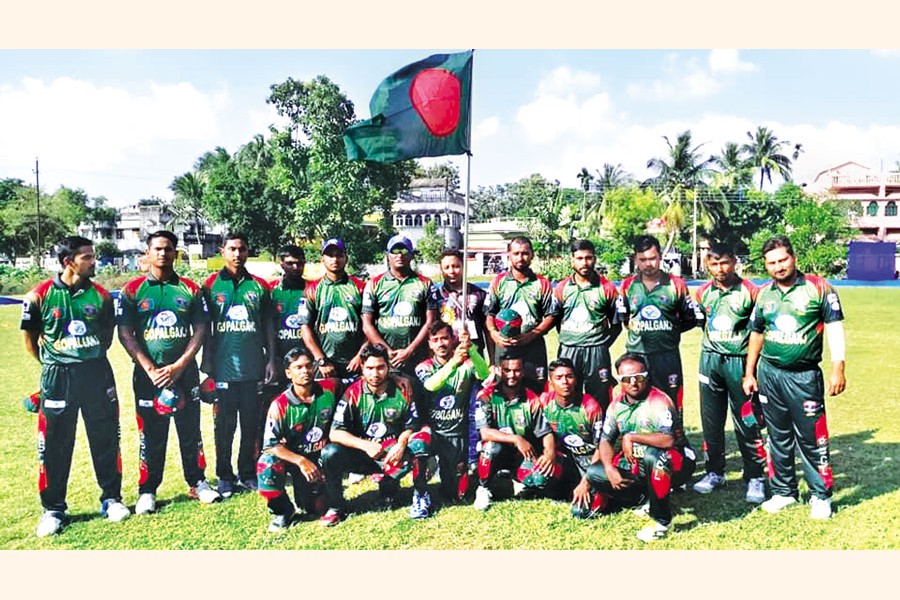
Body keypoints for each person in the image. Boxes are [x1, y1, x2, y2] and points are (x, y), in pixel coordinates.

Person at [21, 235, 129, 537]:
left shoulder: (102, 296)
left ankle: (111, 499)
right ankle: (53, 509)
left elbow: (107, 335)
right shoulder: (38, 295)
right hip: (58, 377)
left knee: (106, 438)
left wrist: (86, 354)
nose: (94, 261)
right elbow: (29, 339)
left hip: (96, 373)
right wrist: (53, 362)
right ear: (69, 261)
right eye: (87, 257)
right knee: (55, 444)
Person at [743, 235, 846, 519]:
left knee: (812, 438)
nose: (778, 266)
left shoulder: (819, 288)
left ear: (794, 258)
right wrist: (750, 372)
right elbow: (757, 333)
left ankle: (820, 495)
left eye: (782, 260)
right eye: (772, 263)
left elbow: (835, 327)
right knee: (777, 436)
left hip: (804, 377)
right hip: (770, 374)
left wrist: (839, 366)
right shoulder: (764, 294)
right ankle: (784, 491)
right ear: (766, 266)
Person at [117, 230, 220, 515]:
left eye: (168, 249)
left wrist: (180, 365)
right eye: (158, 249)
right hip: (147, 377)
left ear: (176, 253)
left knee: (190, 430)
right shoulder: (132, 290)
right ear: (148, 254)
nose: (163, 254)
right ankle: (148, 490)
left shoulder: (190, 288)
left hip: (184, 373)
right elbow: (125, 332)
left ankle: (198, 482)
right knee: (150, 433)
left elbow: (201, 329)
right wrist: (150, 368)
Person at [585, 353, 696, 542]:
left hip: (676, 461)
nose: (633, 383)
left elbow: (668, 440)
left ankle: (662, 521)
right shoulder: (616, 404)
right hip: (640, 464)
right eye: (626, 379)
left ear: (647, 376)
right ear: (619, 380)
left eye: (639, 377)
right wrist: (610, 469)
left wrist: (632, 436)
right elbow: (605, 440)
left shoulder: (659, 401)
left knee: (655, 456)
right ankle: (644, 498)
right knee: (595, 472)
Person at [319, 344, 432, 525]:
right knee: (329, 453)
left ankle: (419, 495)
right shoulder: (352, 393)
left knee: (420, 440)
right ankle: (336, 507)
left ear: (388, 367)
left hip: (393, 454)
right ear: (362, 368)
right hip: (364, 455)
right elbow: (335, 433)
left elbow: (413, 425)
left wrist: (401, 444)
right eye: (369, 368)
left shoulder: (404, 389)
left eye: (380, 367)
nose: (375, 373)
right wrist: (365, 445)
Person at [202, 232, 277, 498]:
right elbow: (204, 329)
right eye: (232, 249)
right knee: (224, 427)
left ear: (247, 252)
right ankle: (224, 476)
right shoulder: (210, 286)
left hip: (253, 369)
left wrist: (270, 359)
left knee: (250, 426)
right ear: (222, 251)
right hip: (222, 371)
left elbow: (268, 324)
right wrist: (207, 369)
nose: (237, 254)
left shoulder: (259, 286)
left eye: (242, 249)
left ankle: (247, 473)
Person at [691, 242, 767, 503]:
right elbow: (702, 323)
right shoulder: (702, 293)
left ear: (734, 261)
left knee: (746, 420)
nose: (720, 269)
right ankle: (714, 472)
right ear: (707, 265)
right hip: (710, 361)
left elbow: (759, 331)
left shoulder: (751, 292)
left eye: (724, 262)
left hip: (739, 361)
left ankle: (755, 476)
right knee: (711, 420)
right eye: (713, 264)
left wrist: (751, 370)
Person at [257, 347, 342, 532]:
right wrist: (301, 461)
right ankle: (282, 511)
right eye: (298, 367)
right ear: (288, 373)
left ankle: (325, 491)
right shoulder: (279, 405)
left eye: (308, 366)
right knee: (267, 464)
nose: (305, 371)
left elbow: (363, 383)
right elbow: (270, 445)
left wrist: (399, 379)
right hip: (296, 461)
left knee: (314, 508)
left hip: (321, 459)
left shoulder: (330, 388)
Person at [617, 235, 698, 416]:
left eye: (652, 258)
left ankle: (674, 441)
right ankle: (636, 439)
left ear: (660, 257)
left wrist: (669, 330)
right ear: (635, 259)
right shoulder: (627, 286)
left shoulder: (676, 285)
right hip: (637, 355)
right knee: (636, 400)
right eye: (643, 259)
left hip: (666, 355)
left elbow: (690, 319)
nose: (648, 264)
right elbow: (624, 319)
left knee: (670, 401)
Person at [472, 355, 559, 511]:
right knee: (491, 447)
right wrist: (516, 439)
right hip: (496, 452)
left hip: (521, 455)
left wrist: (549, 453)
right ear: (499, 370)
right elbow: (485, 433)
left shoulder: (531, 399)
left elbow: (545, 432)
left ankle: (515, 482)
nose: (512, 375)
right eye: (507, 370)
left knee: (541, 479)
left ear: (523, 372)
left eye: (517, 370)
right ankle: (483, 488)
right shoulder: (486, 396)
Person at [415, 322, 490, 503]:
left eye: (445, 338)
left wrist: (471, 349)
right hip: (435, 433)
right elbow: (431, 385)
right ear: (430, 344)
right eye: (436, 340)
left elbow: (484, 373)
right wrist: (453, 362)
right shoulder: (423, 367)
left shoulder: (466, 363)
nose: (441, 344)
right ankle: (420, 493)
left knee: (456, 492)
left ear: (453, 340)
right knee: (418, 447)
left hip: (459, 432)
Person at [484, 236, 560, 391]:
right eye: (516, 253)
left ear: (532, 255)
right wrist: (493, 333)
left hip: (533, 346)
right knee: (504, 390)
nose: (521, 258)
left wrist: (532, 334)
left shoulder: (541, 283)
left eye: (525, 253)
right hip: (505, 346)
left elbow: (551, 315)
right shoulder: (499, 281)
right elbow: (489, 313)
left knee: (536, 390)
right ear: (509, 255)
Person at [554, 239, 621, 411]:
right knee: (567, 392)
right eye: (579, 258)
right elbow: (556, 320)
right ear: (572, 260)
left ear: (595, 259)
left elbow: (616, 324)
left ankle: (601, 436)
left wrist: (601, 344)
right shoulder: (562, 288)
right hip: (569, 348)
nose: (584, 262)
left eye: (588, 258)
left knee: (600, 395)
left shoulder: (607, 288)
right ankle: (571, 433)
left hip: (596, 351)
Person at [534, 358, 604, 514]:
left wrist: (586, 482)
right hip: (565, 458)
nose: (565, 381)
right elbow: (544, 432)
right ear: (551, 383)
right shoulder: (545, 402)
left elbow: (602, 449)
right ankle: (560, 491)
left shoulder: (590, 407)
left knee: (581, 512)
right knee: (536, 475)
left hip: (590, 461)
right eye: (559, 378)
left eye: (569, 376)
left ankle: (597, 491)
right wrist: (549, 453)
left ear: (576, 379)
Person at [362, 235, 436, 378]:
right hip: (386, 360)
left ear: (412, 255)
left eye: (404, 251)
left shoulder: (425, 283)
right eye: (395, 251)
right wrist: (387, 351)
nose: (399, 255)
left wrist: (409, 350)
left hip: (417, 357)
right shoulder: (374, 284)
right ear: (387, 255)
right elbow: (367, 324)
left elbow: (430, 321)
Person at [300, 238, 367, 379]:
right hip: (325, 365)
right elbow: (305, 328)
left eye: (339, 255)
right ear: (322, 259)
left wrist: (360, 355)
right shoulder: (311, 289)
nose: (335, 259)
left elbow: (370, 326)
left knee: (353, 401)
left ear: (346, 258)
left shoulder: (361, 287)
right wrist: (321, 360)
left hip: (356, 363)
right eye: (330, 255)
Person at [429, 249, 492, 360]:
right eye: (446, 267)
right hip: (447, 355)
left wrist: (492, 361)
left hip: (474, 353)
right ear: (441, 270)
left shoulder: (479, 294)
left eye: (456, 266)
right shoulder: (435, 296)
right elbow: (431, 330)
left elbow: (487, 329)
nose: (451, 271)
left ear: (463, 267)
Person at [270, 244, 312, 377]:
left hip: (307, 361)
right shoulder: (271, 290)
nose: (295, 268)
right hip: (279, 359)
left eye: (300, 263)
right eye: (290, 263)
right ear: (281, 263)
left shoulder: (312, 289)